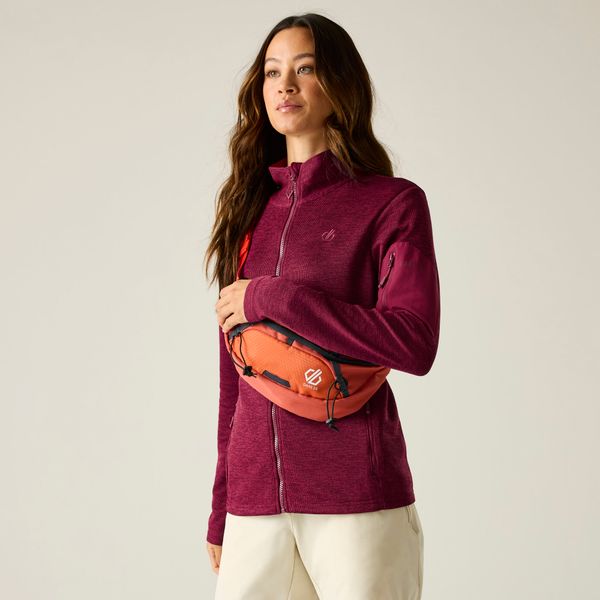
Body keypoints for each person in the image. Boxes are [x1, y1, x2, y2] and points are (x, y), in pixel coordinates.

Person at [202, 12, 440, 600]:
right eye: (272, 72)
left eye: (304, 69)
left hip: (356, 499)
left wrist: (275, 296)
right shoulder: (250, 212)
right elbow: (236, 374)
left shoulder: (392, 204)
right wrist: (222, 504)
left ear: (339, 84)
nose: (285, 85)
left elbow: (413, 341)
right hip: (255, 506)